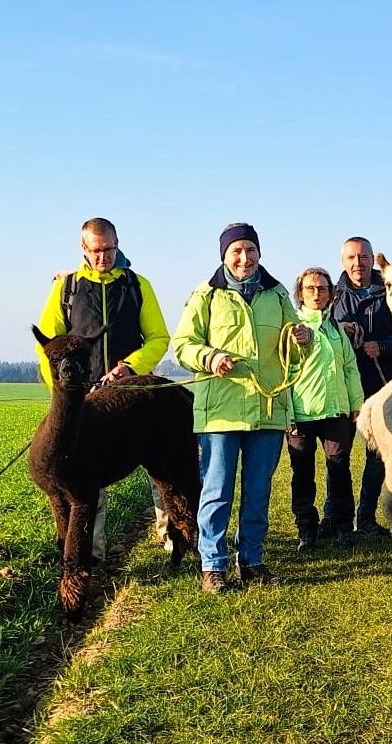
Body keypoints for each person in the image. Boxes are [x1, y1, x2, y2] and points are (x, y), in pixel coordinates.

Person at [171, 223, 302, 592]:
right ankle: (213, 566)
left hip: (267, 407)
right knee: (217, 491)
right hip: (220, 412)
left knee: (258, 492)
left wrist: (302, 339)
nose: (245, 258)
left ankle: (252, 561)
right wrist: (210, 357)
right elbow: (182, 345)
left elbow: (294, 353)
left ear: (259, 252)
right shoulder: (205, 295)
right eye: (236, 251)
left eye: (250, 250)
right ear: (224, 256)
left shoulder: (278, 294)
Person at [34, 217, 170, 564]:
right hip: (84, 401)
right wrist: (64, 392)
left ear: (117, 243)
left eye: (109, 249)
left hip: (131, 394)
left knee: (160, 466)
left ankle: (171, 538)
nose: (103, 256)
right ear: (83, 248)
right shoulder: (66, 289)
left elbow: (159, 338)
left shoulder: (137, 285)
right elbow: (46, 346)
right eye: (96, 251)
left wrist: (130, 367)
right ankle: (91, 557)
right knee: (84, 480)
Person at [287, 267, 365, 551]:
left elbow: (349, 367)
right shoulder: (292, 328)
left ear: (331, 293)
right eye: (310, 288)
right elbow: (284, 370)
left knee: (340, 469)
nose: (316, 293)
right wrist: (287, 412)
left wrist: (356, 403)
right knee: (302, 473)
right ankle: (306, 530)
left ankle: (344, 527)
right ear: (300, 293)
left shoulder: (336, 329)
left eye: (322, 288)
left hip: (335, 412)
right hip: (301, 412)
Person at [332, 236, 392, 537]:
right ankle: (334, 516)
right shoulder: (332, 296)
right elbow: (320, 333)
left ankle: (367, 516)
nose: (357, 263)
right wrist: (341, 329)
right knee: (338, 454)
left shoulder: (390, 292)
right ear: (343, 261)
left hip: (379, 385)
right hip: (342, 387)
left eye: (363, 257)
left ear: (373, 260)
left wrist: (382, 347)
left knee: (378, 453)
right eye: (351, 258)